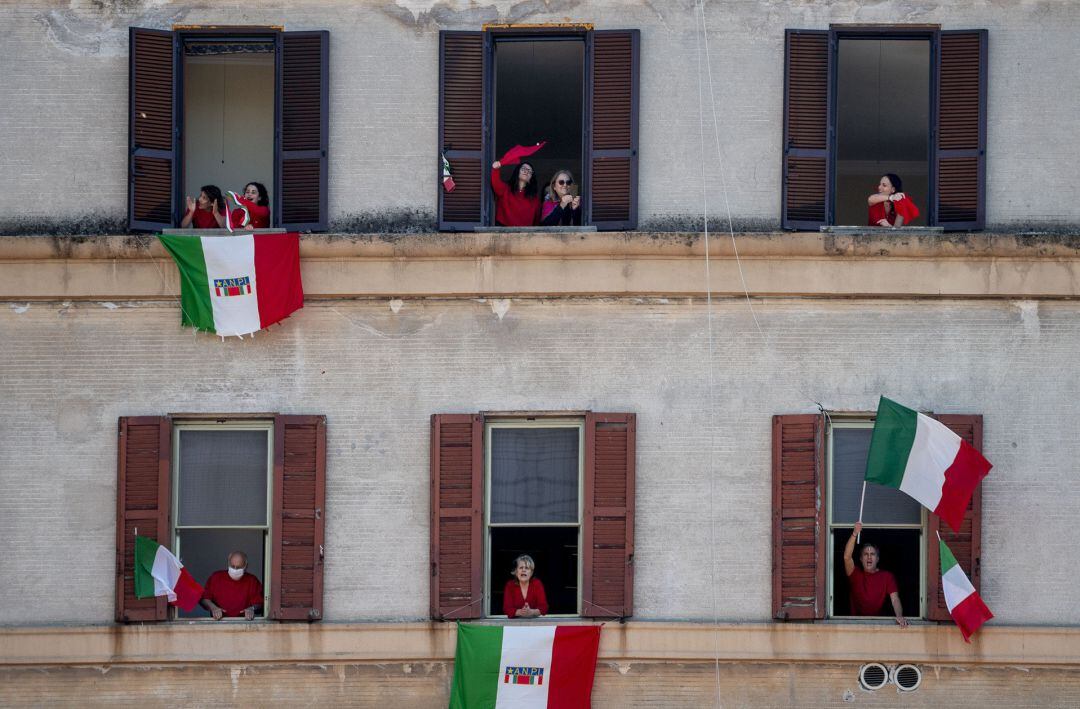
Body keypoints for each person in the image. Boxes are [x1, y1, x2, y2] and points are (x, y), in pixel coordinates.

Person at [844, 522, 908, 627]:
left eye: (872, 554)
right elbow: (847, 557)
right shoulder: (855, 574)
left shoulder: (887, 577)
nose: (869, 557)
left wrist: (899, 616)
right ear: (860, 559)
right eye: (866, 554)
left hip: (879, 624)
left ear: (877, 559)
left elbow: (895, 599)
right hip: (855, 624)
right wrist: (855, 533)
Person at [201, 551, 263, 620]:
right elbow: (204, 599)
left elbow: (260, 603)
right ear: (228, 564)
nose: (235, 570)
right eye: (233, 566)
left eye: (239, 567)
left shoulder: (252, 581)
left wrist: (252, 609)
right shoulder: (216, 577)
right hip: (219, 622)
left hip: (244, 623)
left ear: (246, 566)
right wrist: (213, 607)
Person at [490, 160, 541, 227]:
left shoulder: (534, 199)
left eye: (529, 171)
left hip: (525, 234)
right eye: (523, 169)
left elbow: (537, 221)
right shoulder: (506, 189)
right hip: (503, 232)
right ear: (517, 172)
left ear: (531, 177)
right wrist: (496, 169)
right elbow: (496, 184)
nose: (526, 172)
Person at [502, 554, 548, 618]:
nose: (523, 570)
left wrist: (531, 612)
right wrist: (521, 612)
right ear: (516, 571)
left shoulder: (537, 584)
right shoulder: (510, 585)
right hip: (514, 624)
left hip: (534, 623)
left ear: (531, 573)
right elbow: (507, 609)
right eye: (521, 567)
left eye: (527, 568)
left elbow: (544, 608)